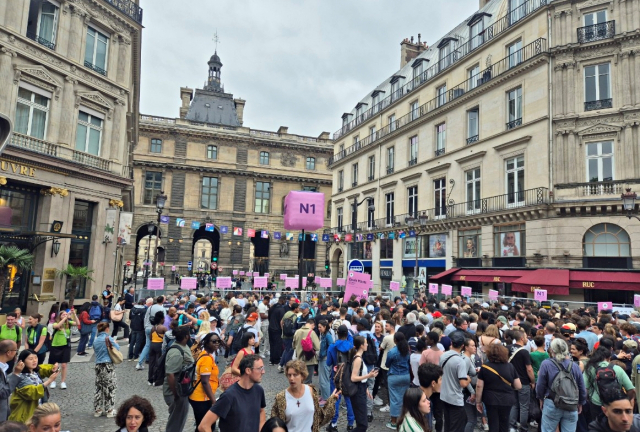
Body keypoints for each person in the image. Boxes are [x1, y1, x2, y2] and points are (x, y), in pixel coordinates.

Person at [199, 354, 266, 432]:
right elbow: (203, 426)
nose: (263, 372)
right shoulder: (229, 396)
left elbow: (261, 411)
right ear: (248, 370)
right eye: (260, 368)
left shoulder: (259, 390)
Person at [270, 359, 339, 432]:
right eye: (289, 375)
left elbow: (319, 417)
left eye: (295, 375)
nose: (291, 378)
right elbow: (275, 424)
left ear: (302, 376)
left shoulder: (311, 391)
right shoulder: (281, 397)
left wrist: (332, 400)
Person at [536, 338, 586, 432]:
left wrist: (540, 398)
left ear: (552, 350)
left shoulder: (546, 364)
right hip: (571, 404)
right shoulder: (575, 366)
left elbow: (540, 385)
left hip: (552, 403)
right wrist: (581, 402)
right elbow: (581, 387)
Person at [475, 343, 521, 432]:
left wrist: (478, 401)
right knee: (504, 423)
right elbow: (518, 385)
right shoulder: (510, 366)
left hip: (490, 399)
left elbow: (479, 385)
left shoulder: (485, 367)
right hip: (507, 399)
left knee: (493, 423)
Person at [584, 347, 636, 421]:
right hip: (615, 403)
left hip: (596, 404)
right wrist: (627, 399)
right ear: (609, 358)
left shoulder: (590, 369)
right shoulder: (618, 369)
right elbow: (631, 389)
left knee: (597, 426)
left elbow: (584, 389)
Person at [8, 350, 59, 423]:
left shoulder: (34, 372)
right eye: (31, 359)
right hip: (24, 413)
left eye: (36, 358)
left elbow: (43, 369)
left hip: (36, 409)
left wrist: (52, 369)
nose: (34, 361)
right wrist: (49, 381)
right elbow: (32, 393)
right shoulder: (20, 377)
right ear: (22, 361)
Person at [440, 331, 473, 432]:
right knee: (457, 427)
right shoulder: (460, 361)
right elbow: (463, 384)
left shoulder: (443, 355)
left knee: (448, 424)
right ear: (463, 346)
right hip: (455, 398)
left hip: (444, 395)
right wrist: (469, 379)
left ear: (451, 343)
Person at [163, 326, 194, 432]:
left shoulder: (183, 346)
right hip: (176, 392)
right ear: (186, 336)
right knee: (175, 423)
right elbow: (170, 374)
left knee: (178, 420)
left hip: (181, 391)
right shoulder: (176, 352)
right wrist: (176, 395)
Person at [326, 324, 355, 432]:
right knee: (349, 400)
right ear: (347, 334)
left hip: (336, 376)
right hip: (348, 376)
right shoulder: (351, 346)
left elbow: (328, 362)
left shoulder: (332, 346)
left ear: (337, 334)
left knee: (335, 400)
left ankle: (334, 424)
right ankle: (350, 424)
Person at [189, 333, 221, 432]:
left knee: (202, 425)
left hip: (201, 397)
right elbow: (205, 382)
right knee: (206, 426)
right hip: (201, 398)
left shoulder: (206, 355)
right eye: (213, 341)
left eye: (218, 341)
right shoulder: (206, 358)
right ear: (206, 343)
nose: (217, 343)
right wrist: (214, 401)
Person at [349, 335, 379, 432]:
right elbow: (353, 378)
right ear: (361, 345)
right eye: (365, 343)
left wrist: (366, 390)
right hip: (358, 391)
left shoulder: (359, 357)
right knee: (363, 425)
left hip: (361, 389)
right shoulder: (358, 359)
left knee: (361, 422)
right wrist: (369, 376)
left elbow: (359, 376)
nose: (367, 344)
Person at [507, 329, 535, 432]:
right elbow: (529, 369)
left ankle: (512, 426)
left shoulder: (508, 348)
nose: (527, 339)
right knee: (524, 406)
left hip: (511, 381)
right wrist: (532, 381)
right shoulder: (524, 352)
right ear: (522, 338)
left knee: (514, 405)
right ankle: (523, 427)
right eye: (526, 337)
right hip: (523, 382)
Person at [93, 322, 120, 418]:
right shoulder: (108, 339)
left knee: (99, 387)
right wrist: (115, 343)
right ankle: (110, 409)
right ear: (107, 329)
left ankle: (98, 409)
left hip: (98, 366)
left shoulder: (96, 340)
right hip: (107, 365)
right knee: (110, 387)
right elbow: (117, 348)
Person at [385, 331, 411, 429]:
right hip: (406, 376)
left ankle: (394, 421)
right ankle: (404, 419)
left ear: (395, 340)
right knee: (405, 398)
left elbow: (387, 364)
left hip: (394, 376)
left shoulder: (392, 352)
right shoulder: (407, 350)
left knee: (394, 399)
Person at [47, 309, 74, 389]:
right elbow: (58, 326)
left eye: (66, 314)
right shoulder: (55, 323)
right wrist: (64, 319)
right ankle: (53, 380)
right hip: (56, 345)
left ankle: (63, 381)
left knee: (64, 365)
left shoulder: (68, 324)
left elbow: (78, 323)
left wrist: (74, 314)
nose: (65, 316)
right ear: (60, 316)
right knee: (55, 365)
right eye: (63, 314)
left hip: (65, 346)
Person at [137, 296, 165, 371]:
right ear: (162, 301)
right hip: (156, 329)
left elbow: (145, 318)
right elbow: (164, 320)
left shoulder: (150, 307)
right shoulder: (162, 309)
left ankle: (139, 363)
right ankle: (159, 363)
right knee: (160, 345)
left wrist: (145, 327)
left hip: (147, 327)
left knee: (147, 345)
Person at [292, 318, 320, 384]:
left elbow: (293, 345)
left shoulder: (297, 331)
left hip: (299, 359)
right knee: (308, 380)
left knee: (300, 378)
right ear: (312, 325)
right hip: (309, 360)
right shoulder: (312, 333)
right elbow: (318, 347)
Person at [0, 340, 21, 422]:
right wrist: (16, 374)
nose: (16, 353)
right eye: (16, 351)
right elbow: (3, 392)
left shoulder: (3, 366)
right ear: (8, 352)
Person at [147, 312, 166, 387]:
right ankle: (156, 379)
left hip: (152, 345)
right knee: (158, 363)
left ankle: (150, 379)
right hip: (159, 345)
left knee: (151, 363)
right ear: (162, 319)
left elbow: (150, 338)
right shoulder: (163, 328)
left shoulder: (153, 328)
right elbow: (166, 338)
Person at [318, 320, 334, 403]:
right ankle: (323, 396)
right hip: (322, 358)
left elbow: (331, 346)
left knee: (324, 380)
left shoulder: (328, 335)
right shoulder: (323, 334)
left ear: (325, 327)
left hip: (325, 359)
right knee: (321, 379)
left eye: (320, 327)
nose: (319, 328)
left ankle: (326, 398)